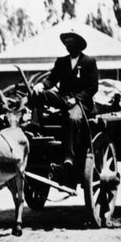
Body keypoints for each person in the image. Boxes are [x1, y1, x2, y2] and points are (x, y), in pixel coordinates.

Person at [32, 29, 99, 171]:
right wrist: (41, 85)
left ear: (78, 45)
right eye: (66, 43)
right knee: (39, 94)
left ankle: (68, 157)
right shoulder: (61, 62)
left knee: (73, 119)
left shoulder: (89, 62)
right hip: (63, 99)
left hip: (81, 103)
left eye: (71, 43)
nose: (68, 46)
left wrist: (76, 99)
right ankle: (35, 126)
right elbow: (51, 79)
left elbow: (93, 88)